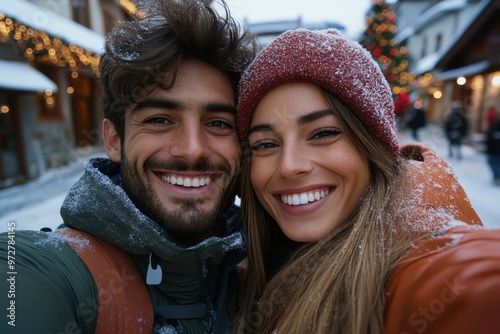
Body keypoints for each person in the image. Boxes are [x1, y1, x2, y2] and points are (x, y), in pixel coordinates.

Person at [0, 1, 255, 333]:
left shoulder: (265, 263)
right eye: (160, 119)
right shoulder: (42, 269)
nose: (192, 150)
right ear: (114, 140)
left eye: (219, 123)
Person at [233, 28, 500, 334]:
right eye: (265, 144)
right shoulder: (244, 263)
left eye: (323, 133)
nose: (290, 166)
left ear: (372, 147)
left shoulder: (427, 269)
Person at [486, 117, 500, 185]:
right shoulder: (493, 129)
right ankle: (497, 177)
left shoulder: (493, 129)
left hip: (493, 152)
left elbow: (488, 140)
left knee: (494, 164)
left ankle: (497, 177)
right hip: (494, 151)